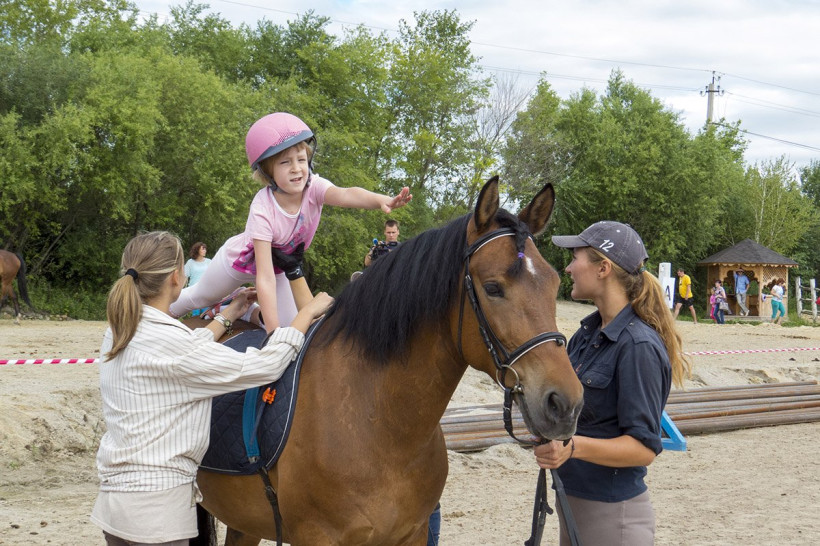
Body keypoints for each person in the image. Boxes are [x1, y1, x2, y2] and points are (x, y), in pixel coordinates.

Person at [91, 231, 333, 546]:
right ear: (176, 277)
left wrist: (227, 316)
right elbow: (266, 366)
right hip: (156, 516)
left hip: (115, 508)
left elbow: (185, 354)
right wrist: (306, 315)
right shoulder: (174, 346)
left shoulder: (120, 330)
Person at [169, 112, 412, 332]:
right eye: (285, 162)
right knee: (201, 297)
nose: (296, 168)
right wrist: (272, 334)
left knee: (291, 325)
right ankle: (153, 311)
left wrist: (381, 200)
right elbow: (264, 277)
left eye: (301, 159)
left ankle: (247, 311)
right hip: (238, 262)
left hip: (279, 268)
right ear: (267, 172)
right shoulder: (263, 207)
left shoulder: (314, 187)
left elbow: (347, 194)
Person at [533, 221, 691, 546]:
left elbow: (643, 449)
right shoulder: (585, 335)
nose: (568, 268)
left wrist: (572, 447)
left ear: (603, 268)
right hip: (572, 505)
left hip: (613, 518)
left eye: (575, 258)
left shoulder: (638, 346)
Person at [184, 242, 211, 317]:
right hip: (194, 291)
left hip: (205, 291)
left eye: (205, 249)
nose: (205, 250)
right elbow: (185, 276)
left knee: (205, 314)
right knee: (195, 314)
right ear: (197, 250)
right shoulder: (190, 262)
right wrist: (181, 290)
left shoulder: (209, 262)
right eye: (203, 249)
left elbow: (213, 275)